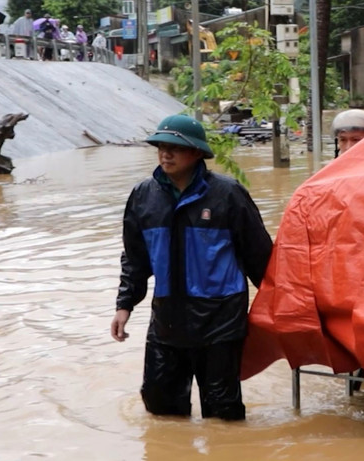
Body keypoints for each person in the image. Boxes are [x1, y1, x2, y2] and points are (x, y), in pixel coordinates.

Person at [110, 114, 273, 421]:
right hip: (167, 320)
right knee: (161, 409)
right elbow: (135, 258)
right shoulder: (144, 196)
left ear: (197, 153)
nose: (165, 154)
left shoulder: (228, 194)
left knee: (223, 416)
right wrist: (125, 305)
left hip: (220, 321)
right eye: (160, 146)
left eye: (175, 147)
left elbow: (260, 257)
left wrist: (282, 307)